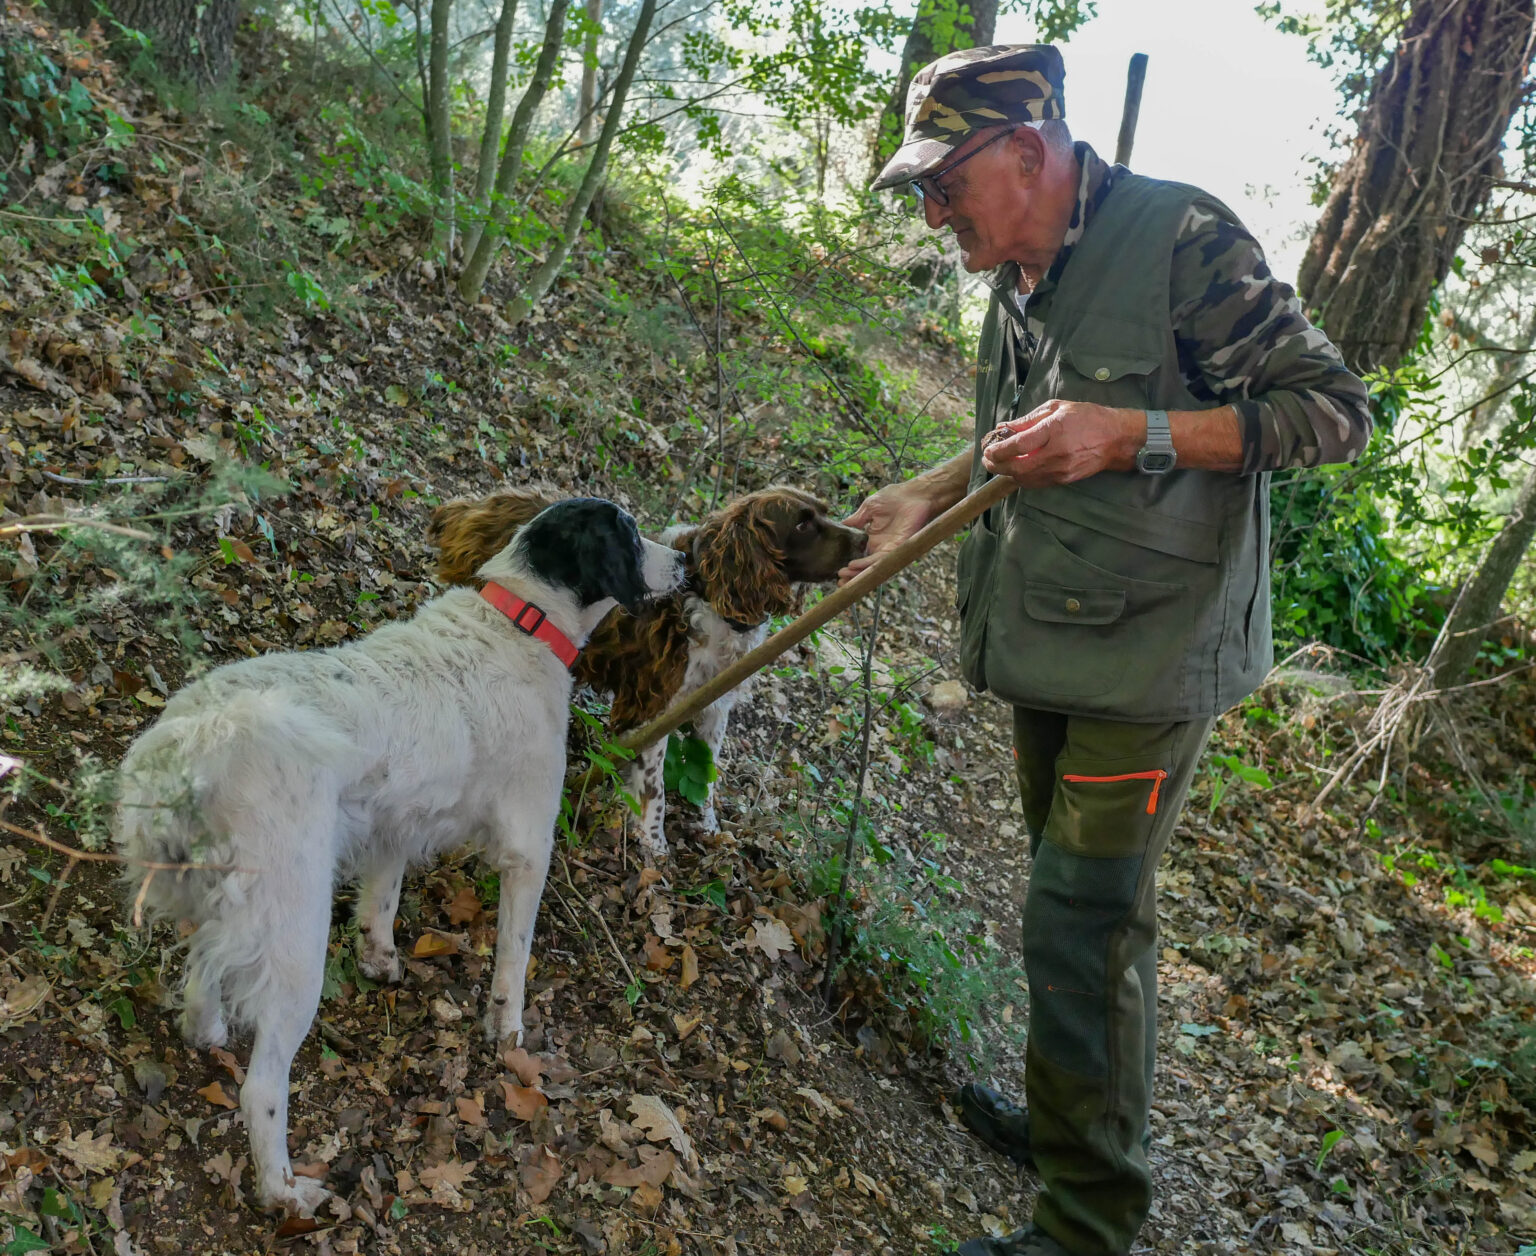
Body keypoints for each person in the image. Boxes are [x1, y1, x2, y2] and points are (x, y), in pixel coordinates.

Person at [843, 44, 1372, 1256]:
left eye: (946, 185)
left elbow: (1336, 411)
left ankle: (1086, 1224)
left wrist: (1132, 433)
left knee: (1079, 919)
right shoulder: (1017, 259)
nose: (935, 216)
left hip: (1151, 657)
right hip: (1057, 637)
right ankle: (1073, 1114)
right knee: (1084, 910)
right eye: (922, 192)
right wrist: (929, 492)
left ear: (1029, 151)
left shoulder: (1187, 240)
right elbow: (1014, 436)